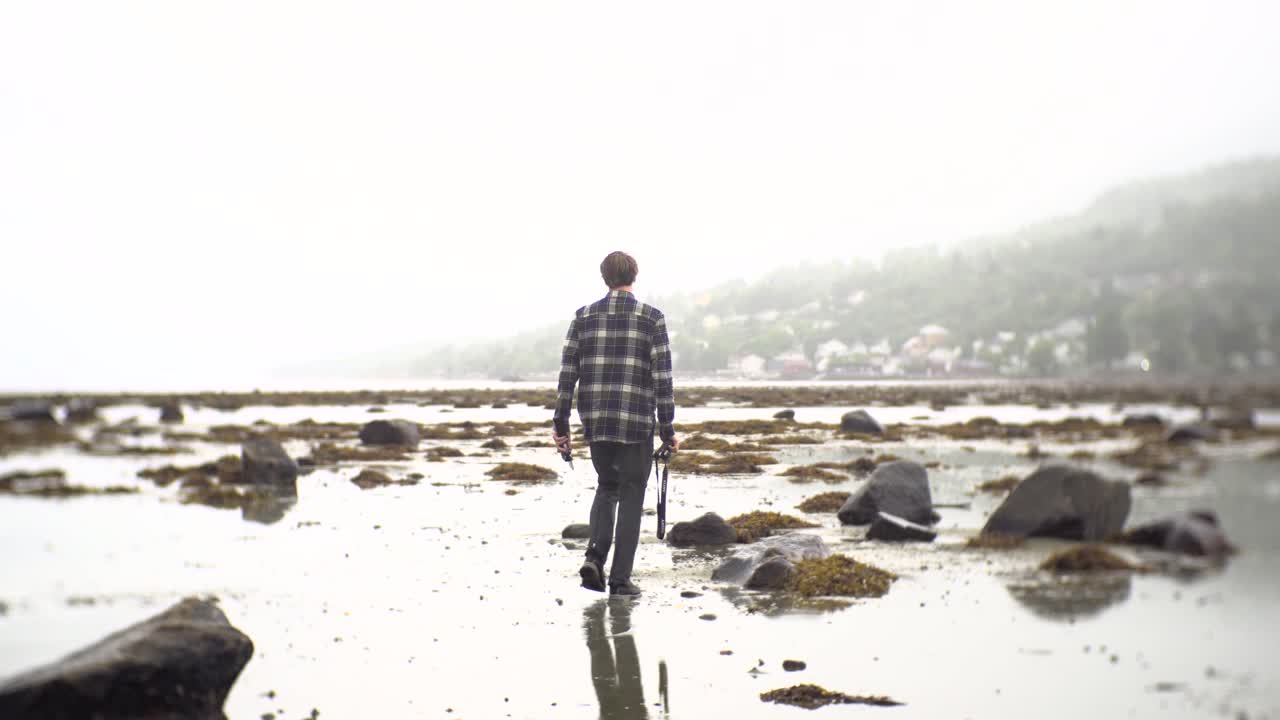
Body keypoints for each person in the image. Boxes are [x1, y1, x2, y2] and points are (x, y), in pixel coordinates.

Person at [553, 251, 678, 597]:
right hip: (636, 420)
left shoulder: (584, 317)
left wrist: (560, 424)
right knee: (632, 496)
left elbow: (567, 376)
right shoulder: (652, 318)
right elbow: (662, 379)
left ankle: (594, 558)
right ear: (633, 275)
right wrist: (667, 429)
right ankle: (620, 581)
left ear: (604, 278)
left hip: (596, 419)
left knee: (607, 487)